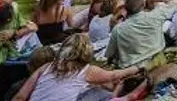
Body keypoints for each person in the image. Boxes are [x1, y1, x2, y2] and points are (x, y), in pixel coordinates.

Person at [11, 34, 140, 101]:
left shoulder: (47, 67)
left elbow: (20, 97)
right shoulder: (86, 71)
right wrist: (134, 69)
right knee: (101, 93)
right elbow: (113, 75)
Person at [106, 0, 175, 69]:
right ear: (143, 5)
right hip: (157, 60)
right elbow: (176, 7)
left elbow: (109, 54)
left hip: (134, 68)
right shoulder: (156, 15)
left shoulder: (117, 29)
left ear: (126, 8)